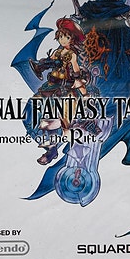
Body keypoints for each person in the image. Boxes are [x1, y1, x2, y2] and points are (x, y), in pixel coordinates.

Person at [29, 17, 89, 165]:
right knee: (42, 117)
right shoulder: (58, 51)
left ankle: (54, 150)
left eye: (66, 37)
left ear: (72, 38)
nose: (62, 40)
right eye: (60, 36)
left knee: (58, 122)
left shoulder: (72, 55)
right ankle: (51, 148)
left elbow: (76, 73)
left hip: (65, 90)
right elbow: (49, 62)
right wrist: (44, 64)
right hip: (51, 88)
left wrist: (84, 92)